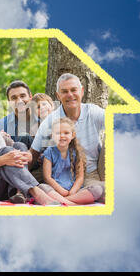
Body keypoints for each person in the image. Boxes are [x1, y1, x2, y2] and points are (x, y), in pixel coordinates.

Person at [0, 88, 62, 205]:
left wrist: (31, 156)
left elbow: (20, 152)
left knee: (19, 145)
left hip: (8, 187)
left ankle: (22, 192)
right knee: (6, 151)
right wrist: (4, 159)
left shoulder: (0, 135)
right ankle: (35, 193)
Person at [30, 73, 105, 203]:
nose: (70, 95)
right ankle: (70, 201)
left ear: (81, 91)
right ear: (58, 96)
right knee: (41, 188)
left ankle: (64, 202)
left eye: (73, 90)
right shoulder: (50, 122)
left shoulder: (93, 112)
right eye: (64, 92)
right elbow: (33, 154)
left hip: (90, 174)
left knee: (112, 137)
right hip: (58, 181)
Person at [39, 118, 103, 205]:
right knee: (41, 187)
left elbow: (80, 177)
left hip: (74, 191)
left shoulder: (77, 152)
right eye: (58, 133)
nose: (62, 136)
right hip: (55, 190)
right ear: (52, 136)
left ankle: (63, 201)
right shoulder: (49, 152)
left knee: (97, 190)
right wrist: (62, 191)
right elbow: (47, 178)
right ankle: (73, 204)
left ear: (73, 135)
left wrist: (72, 192)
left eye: (66, 133)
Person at [0, 80, 37, 149]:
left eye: (22, 96)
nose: (19, 101)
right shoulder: (1, 126)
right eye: (14, 98)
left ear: (30, 97)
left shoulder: (44, 119)